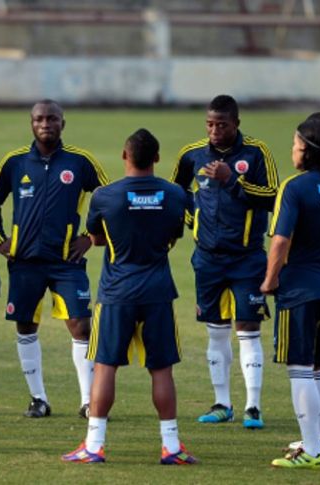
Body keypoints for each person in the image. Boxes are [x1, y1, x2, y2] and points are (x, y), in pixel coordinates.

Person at [62, 128, 197, 464]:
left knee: (106, 366)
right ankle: (172, 446)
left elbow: (95, 238)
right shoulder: (175, 194)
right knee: (161, 368)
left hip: (117, 292)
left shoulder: (105, 196)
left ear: (124, 157)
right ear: (157, 158)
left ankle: (94, 446)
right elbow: (174, 234)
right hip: (157, 290)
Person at [0, 99, 109, 418]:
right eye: (39, 119)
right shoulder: (14, 162)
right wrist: (0, 241)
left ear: (62, 123)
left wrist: (92, 238)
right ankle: (38, 398)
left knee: (81, 326)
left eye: (52, 119)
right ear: (31, 123)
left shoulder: (80, 162)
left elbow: (110, 198)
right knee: (26, 326)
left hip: (67, 261)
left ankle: (87, 401)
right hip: (25, 262)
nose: (45, 124)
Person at [171, 94, 278, 428]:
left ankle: (253, 407)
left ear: (237, 124)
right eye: (210, 124)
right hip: (207, 259)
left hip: (247, 258)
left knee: (248, 329)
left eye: (222, 125)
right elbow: (177, 192)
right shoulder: (192, 154)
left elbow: (274, 195)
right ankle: (222, 403)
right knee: (216, 332)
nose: (215, 131)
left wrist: (232, 180)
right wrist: (191, 222)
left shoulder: (256, 153)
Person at [261, 119, 320, 469]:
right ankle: (315, 442)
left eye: (296, 146)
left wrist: (270, 279)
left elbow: (280, 240)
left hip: (299, 287)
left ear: (309, 151)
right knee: (316, 368)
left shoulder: (295, 187)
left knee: (300, 369)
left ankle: (312, 451)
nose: (292, 151)